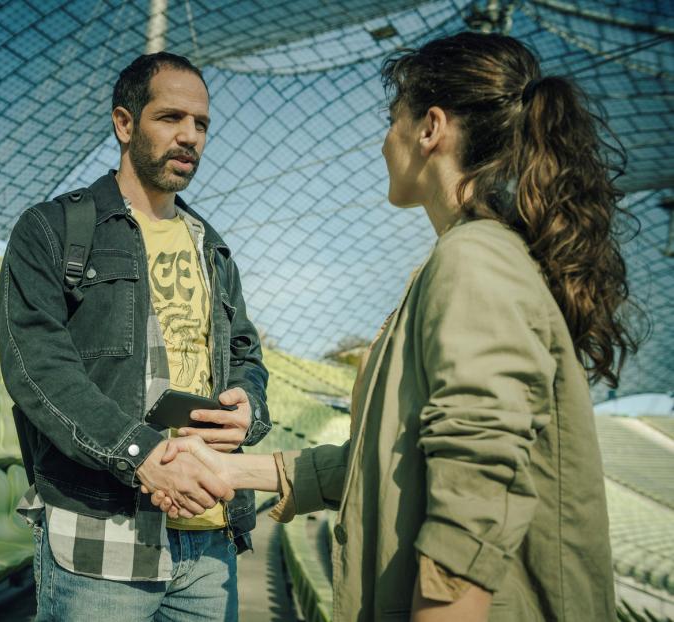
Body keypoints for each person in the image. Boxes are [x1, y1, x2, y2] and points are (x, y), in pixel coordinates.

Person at [147, 32, 640, 621]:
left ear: (430, 128)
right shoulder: (463, 259)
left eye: (392, 119)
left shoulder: (473, 258)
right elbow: (386, 462)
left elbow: (475, 494)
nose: (385, 141)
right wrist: (232, 470)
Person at [0, 51, 270, 621]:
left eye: (201, 124)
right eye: (170, 118)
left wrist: (251, 404)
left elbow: (245, 352)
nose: (190, 136)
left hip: (209, 537)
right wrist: (139, 452)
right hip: (104, 535)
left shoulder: (211, 246)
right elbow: (38, 369)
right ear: (124, 123)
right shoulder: (53, 230)